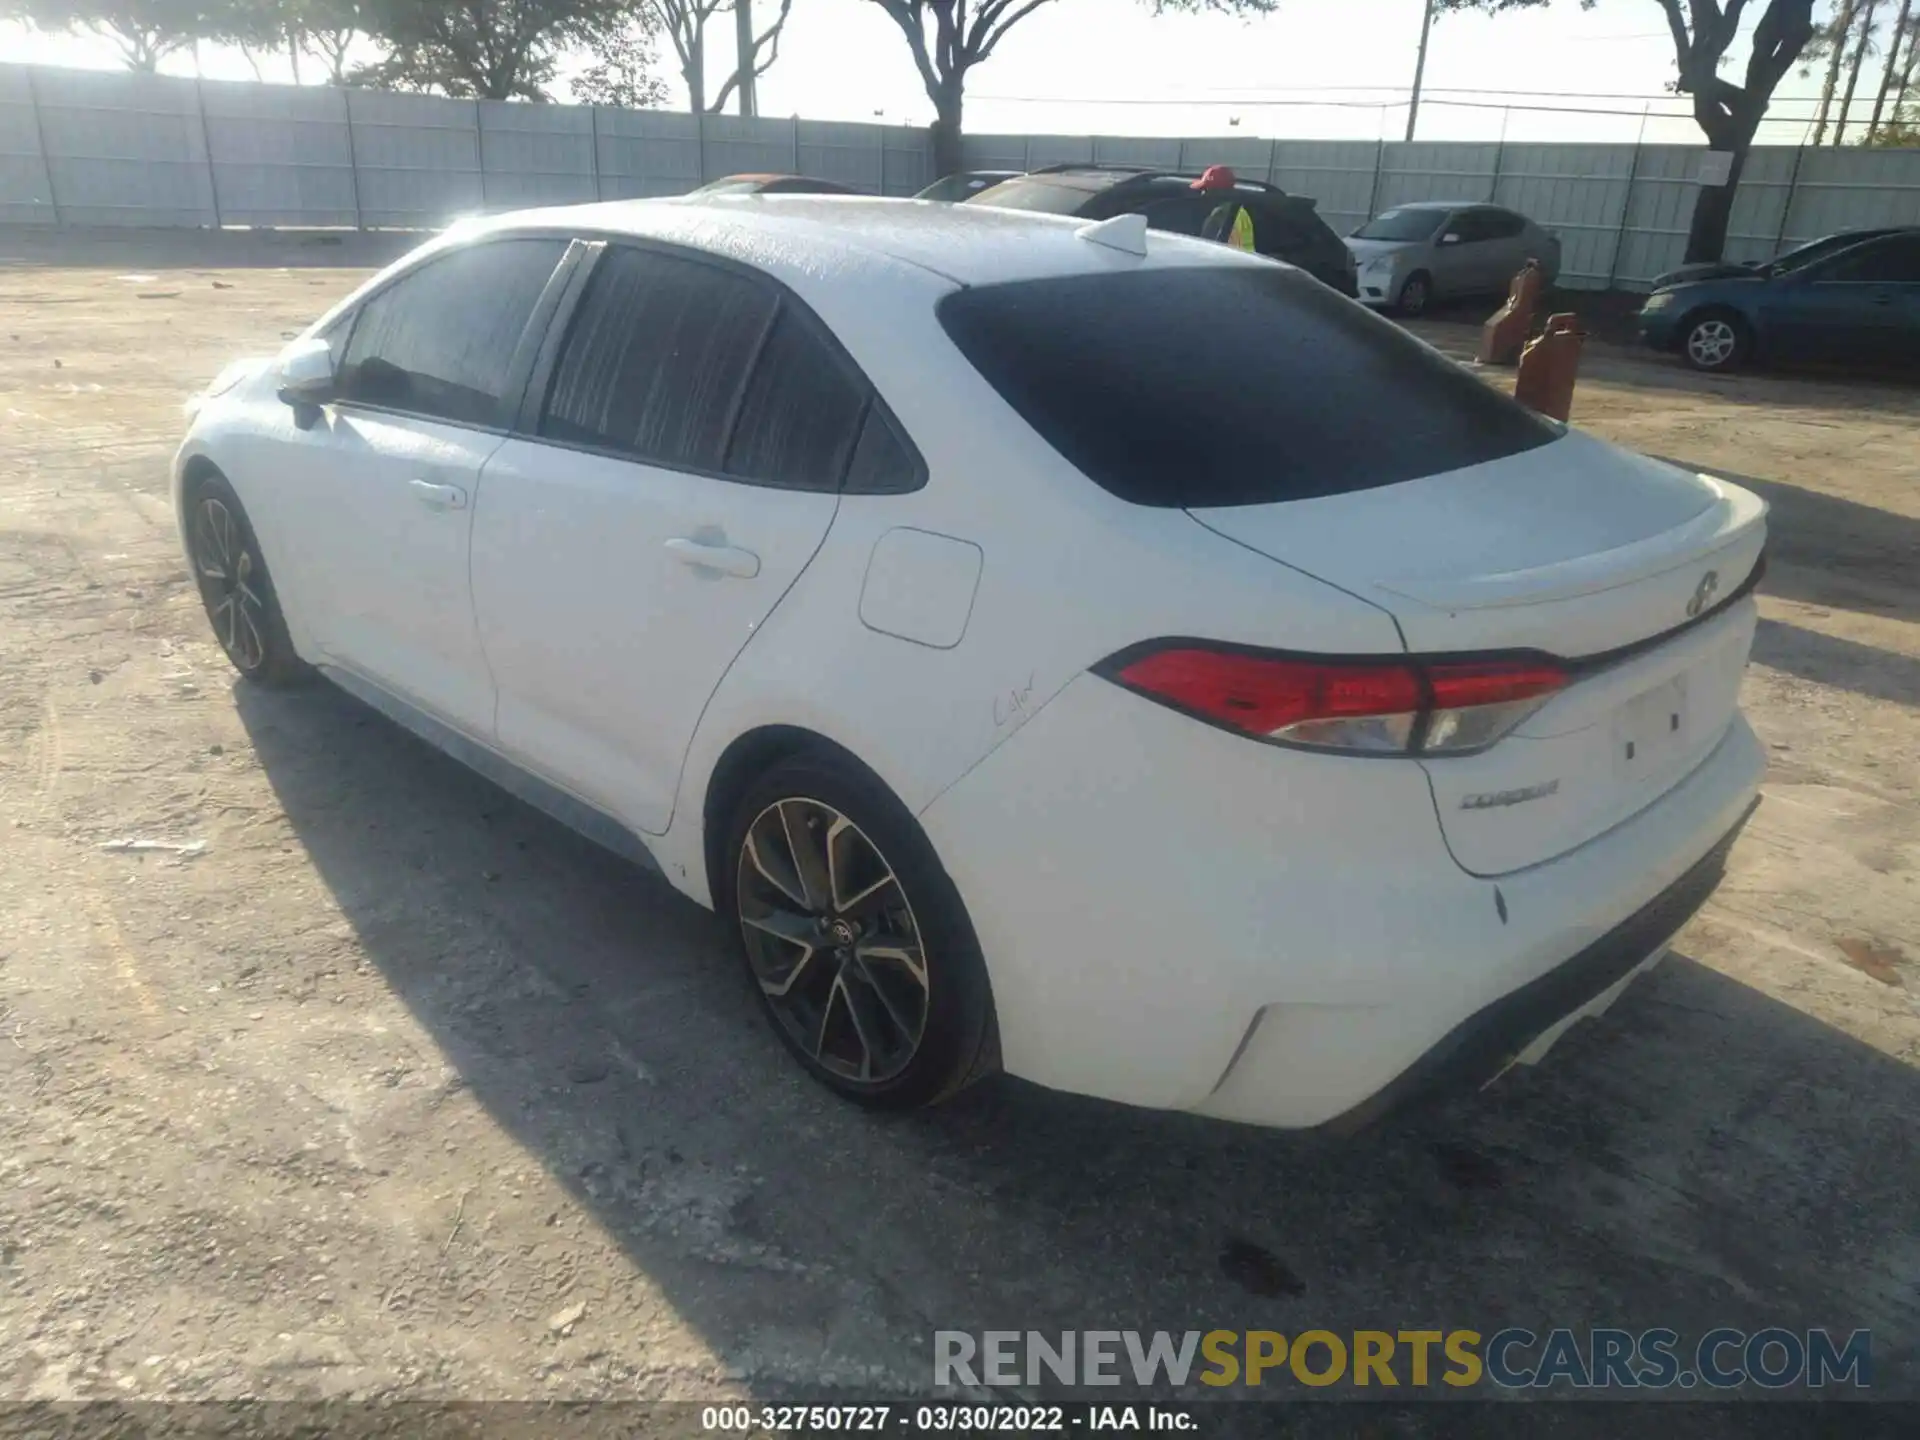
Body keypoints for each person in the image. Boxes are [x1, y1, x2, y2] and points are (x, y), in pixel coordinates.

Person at [1193, 165, 1256, 253]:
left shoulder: (1219, 215)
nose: (1203, 194)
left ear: (1217, 192)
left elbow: (1202, 250)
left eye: (1206, 189)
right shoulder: (1241, 212)